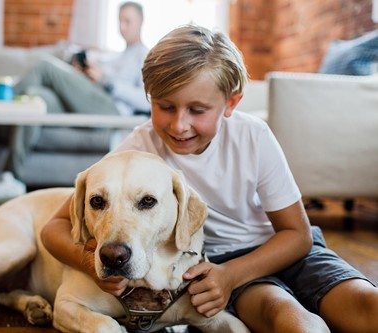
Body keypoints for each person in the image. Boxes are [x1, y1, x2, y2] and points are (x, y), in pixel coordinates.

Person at [40, 25, 378, 332]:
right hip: (222, 266)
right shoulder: (137, 152)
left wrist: (233, 274)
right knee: (292, 319)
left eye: (197, 110)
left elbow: (298, 235)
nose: (179, 125)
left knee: (366, 304)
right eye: (165, 106)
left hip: (284, 254)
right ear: (149, 99)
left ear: (230, 103)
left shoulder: (253, 136)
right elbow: (53, 229)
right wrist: (94, 267)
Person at [0, 1, 149, 201]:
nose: (122, 26)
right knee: (37, 99)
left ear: (141, 22)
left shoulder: (144, 55)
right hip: (88, 102)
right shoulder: (116, 56)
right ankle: (13, 178)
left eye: (128, 21)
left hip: (111, 110)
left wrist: (108, 82)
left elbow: (146, 100)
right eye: (120, 21)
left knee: (45, 66)